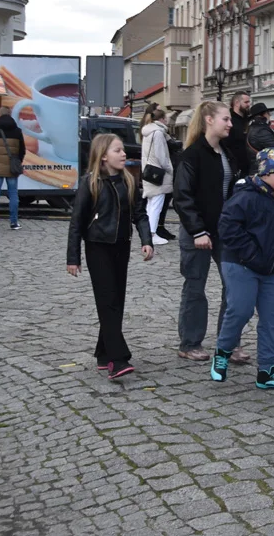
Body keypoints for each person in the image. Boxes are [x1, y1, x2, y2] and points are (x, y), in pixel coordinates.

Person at [210, 148, 274, 390]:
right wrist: (251, 254)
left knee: (273, 320)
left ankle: (267, 370)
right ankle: (223, 352)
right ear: (264, 174)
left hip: (271, 271)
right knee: (240, 311)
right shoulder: (245, 196)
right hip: (241, 265)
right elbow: (228, 227)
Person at [66, 133, 154, 380]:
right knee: (108, 302)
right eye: (118, 150)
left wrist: (146, 240)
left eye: (123, 150)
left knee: (117, 300)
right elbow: (76, 223)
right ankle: (118, 358)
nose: (124, 154)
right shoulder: (90, 183)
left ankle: (103, 353)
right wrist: (73, 257)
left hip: (121, 247)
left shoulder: (128, 180)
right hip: (97, 247)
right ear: (103, 156)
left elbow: (140, 214)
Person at [173, 100, 247, 363]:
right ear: (209, 120)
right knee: (195, 287)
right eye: (225, 119)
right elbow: (182, 198)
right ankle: (190, 343)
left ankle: (229, 343)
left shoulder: (228, 153)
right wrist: (197, 231)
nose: (230, 124)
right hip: (199, 233)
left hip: (225, 232)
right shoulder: (192, 155)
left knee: (234, 287)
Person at [140, 108, 174, 247]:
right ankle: (152, 234)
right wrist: (169, 168)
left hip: (149, 171)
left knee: (151, 205)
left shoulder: (147, 131)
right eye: (165, 118)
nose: (166, 121)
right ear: (161, 119)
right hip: (159, 174)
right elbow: (161, 156)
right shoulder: (158, 133)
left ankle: (148, 233)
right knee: (156, 205)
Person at [227, 91, 253, 175]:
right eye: (246, 102)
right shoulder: (229, 121)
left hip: (247, 168)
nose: (248, 105)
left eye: (249, 102)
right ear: (237, 103)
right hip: (235, 169)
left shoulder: (247, 121)